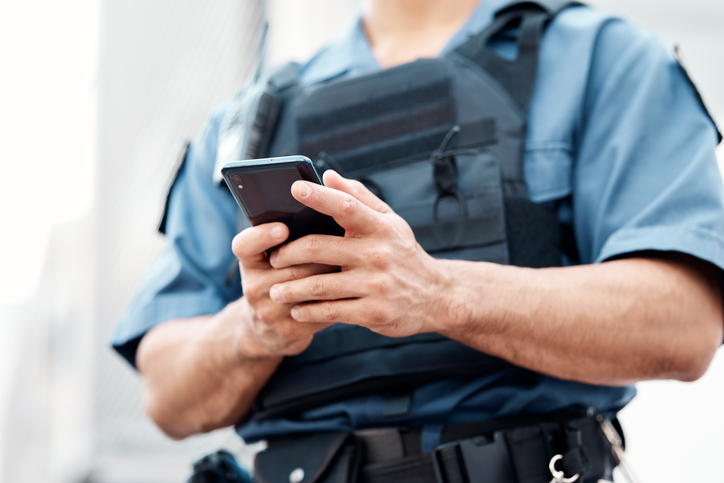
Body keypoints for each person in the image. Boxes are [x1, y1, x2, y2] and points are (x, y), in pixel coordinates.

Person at [110, 0, 724, 481]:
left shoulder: (602, 59)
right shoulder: (248, 123)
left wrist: (438, 293)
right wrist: (256, 329)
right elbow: (167, 394)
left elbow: (686, 323)